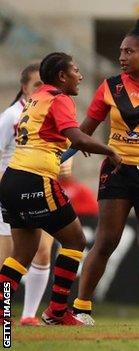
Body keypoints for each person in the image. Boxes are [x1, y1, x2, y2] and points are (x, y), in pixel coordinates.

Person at [71, 15, 139, 326]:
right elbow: (84, 131)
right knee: (106, 240)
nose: (121, 57)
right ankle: (81, 309)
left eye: (128, 51)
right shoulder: (110, 87)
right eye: (120, 51)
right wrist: (63, 150)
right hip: (117, 172)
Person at [0, 52, 122, 325]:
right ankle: (56, 311)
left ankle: (2, 312)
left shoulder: (34, 99)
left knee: (21, 252)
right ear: (62, 76)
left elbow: (49, 136)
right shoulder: (59, 98)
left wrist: (75, 145)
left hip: (11, 181)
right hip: (36, 178)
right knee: (76, 241)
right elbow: (77, 135)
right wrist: (107, 149)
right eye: (76, 71)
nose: (80, 76)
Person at [0, 63, 56, 326]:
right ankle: (5, 312)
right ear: (24, 88)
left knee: (43, 251)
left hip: (36, 190)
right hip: (9, 193)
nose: (41, 91)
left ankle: (29, 315)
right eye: (36, 85)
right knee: (9, 258)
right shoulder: (10, 117)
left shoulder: (47, 113)